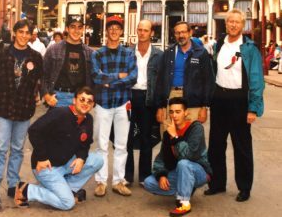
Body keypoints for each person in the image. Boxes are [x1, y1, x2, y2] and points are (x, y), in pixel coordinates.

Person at [204, 9, 265, 202]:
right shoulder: (219, 44)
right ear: (226, 23)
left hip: (240, 101)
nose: (233, 25)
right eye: (230, 21)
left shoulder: (249, 48)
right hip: (219, 99)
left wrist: (253, 108)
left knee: (242, 147)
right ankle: (217, 183)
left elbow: (256, 79)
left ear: (243, 25)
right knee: (215, 145)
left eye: (237, 22)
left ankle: (244, 187)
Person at [14, 87, 103, 210]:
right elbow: (34, 130)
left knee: (98, 160)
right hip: (47, 167)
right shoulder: (60, 113)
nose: (85, 104)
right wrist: (42, 157)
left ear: (93, 105)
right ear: (74, 100)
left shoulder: (88, 120)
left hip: (65, 163)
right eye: (82, 99)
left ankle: (68, 189)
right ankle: (28, 190)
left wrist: (81, 158)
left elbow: (85, 144)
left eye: (89, 101)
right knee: (67, 203)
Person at [0, 19, 43, 204]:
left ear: (31, 35)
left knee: (18, 149)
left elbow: (37, 82)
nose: (24, 36)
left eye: (28, 33)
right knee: (0, 148)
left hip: (24, 110)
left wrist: (33, 97)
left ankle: (13, 184)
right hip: (4, 109)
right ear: (15, 33)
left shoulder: (35, 57)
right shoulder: (3, 54)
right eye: (21, 32)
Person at [91, 15, 137, 197]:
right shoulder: (98, 54)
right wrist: (119, 77)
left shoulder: (128, 53)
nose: (114, 31)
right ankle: (101, 181)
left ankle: (118, 181)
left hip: (122, 103)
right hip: (102, 103)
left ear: (121, 31)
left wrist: (110, 81)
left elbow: (132, 78)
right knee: (101, 144)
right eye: (111, 28)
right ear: (107, 31)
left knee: (121, 145)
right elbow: (96, 76)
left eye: (117, 28)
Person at [144, 97, 212, 217]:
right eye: (171, 112)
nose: (174, 115)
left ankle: (184, 203)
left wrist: (175, 137)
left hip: (199, 172)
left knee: (183, 163)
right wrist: (162, 175)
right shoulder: (168, 133)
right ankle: (185, 188)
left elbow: (189, 155)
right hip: (180, 172)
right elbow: (161, 159)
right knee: (149, 183)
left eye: (178, 112)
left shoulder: (196, 128)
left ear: (186, 112)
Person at [155, 21, 214, 131]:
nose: (181, 36)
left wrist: (204, 107)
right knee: (169, 136)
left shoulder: (201, 53)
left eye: (183, 32)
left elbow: (208, 80)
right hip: (171, 97)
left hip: (193, 101)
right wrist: (159, 106)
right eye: (177, 33)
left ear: (190, 33)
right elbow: (160, 80)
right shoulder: (168, 53)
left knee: (191, 138)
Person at [125, 20, 163, 186]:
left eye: (145, 30)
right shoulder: (127, 52)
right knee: (127, 137)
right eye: (139, 30)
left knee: (147, 138)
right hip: (130, 96)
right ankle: (127, 175)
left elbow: (162, 81)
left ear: (151, 33)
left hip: (148, 98)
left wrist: (160, 104)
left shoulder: (158, 55)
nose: (142, 33)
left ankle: (144, 176)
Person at [41, 15, 93, 108]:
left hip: (81, 99)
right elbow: (43, 74)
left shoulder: (90, 52)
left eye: (79, 28)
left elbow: (94, 77)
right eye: (73, 27)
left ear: (83, 30)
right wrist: (46, 95)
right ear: (67, 29)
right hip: (59, 97)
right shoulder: (53, 49)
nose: (76, 31)